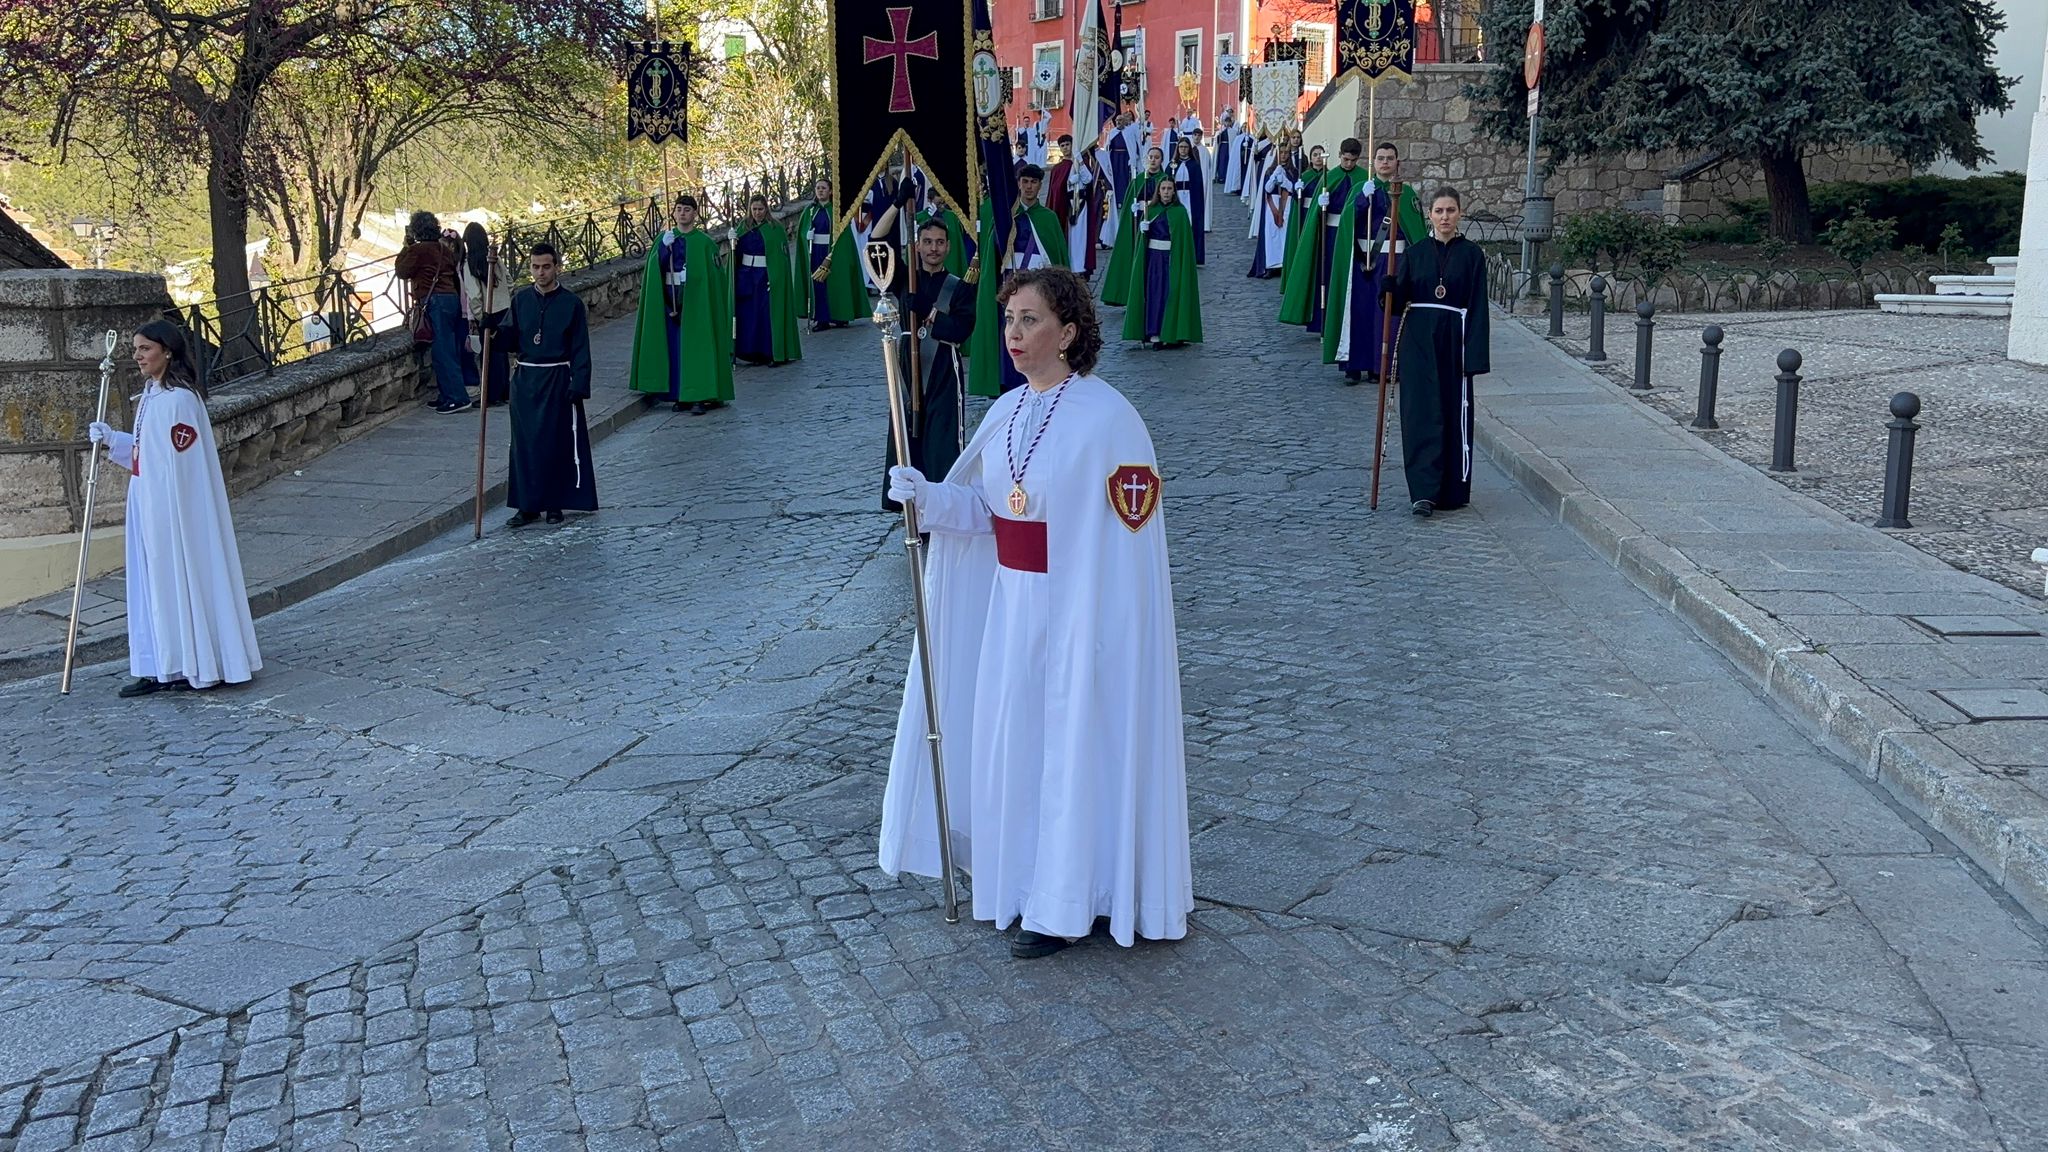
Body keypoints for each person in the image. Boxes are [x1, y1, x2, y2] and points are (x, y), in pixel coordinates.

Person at [878, 266, 1191, 959]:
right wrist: (928, 496)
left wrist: (1101, 623)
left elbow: (1127, 541)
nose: (1014, 334)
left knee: (1072, 753)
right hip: (1012, 614)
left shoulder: (1109, 419)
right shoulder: (1006, 411)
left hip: (1083, 617)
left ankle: (1068, 902)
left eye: (1030, 320)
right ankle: (1022, 884)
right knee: (1016, 751)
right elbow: (990, 514)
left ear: (1068, 332)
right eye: (1009, 319)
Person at [86, 320, 261, 697]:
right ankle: (160, 664)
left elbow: (181, 464)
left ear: (167, 351)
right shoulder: (152, 396)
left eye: (145, 349)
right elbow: (147, 454)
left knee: (174, 581)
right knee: (153, 585)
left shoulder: (179, 400)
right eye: (135, 349)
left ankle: (190, 663)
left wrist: (167, 507)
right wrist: (113, 440)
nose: (138, 356)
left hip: (171, 509)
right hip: (147, 502)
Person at [1392, 187, 1490, 517]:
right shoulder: (1415, 253)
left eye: (1450, 210)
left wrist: (1473, 357)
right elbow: (1397, 303)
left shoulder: (1472, 255)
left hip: (1454, 341)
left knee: (1450, 411)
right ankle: (1423, 491)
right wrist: (1388, 290)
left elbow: (1478, 307)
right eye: (1439, 211)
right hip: (1418, 343)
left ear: (1460, 213)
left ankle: (1450, 490)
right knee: (1419, 413)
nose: (1444, 217)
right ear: (1429, 215)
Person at [496, 243, 597, 528]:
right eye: (535, 267)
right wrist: (491, 330)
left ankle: (554, 503)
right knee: (524, 445)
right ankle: (527, 506)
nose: (540, 273)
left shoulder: (571, 304)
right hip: (526, 381)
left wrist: (579, 382)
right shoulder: (520, 300)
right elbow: (510, 340)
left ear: (557, 268)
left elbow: (580, 347)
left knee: (555, 443)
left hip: (557, 380)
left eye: (546, 267)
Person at [882, 217, 977, 511]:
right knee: (908, 437)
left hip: (943, 370)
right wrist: (896, 204)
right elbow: (878, 242)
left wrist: (931, 313)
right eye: (927, 242)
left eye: (939, 242)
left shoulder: (960, 288)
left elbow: (960, 330)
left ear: (948, 247)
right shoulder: (905, 279)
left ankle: (943, 508)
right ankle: (912, 510)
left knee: (941, 442)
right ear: (917, 246)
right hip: (908, 369)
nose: (933, 248)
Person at [1329, 142, 1428, 382]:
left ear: (1397, 162)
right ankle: (1355, 365)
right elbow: (1347, 223)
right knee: (1360, 313)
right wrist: (1362, 200)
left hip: (1394, 262)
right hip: (1364, 262)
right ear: (1373, 162)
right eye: (1381, 158)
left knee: (1386, 315)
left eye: (1390, 158)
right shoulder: (1362, 188)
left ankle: (1380, 367)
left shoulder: (1406, 193)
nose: (1385, 162)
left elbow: (1416, 232)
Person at [968, 164, 1068, 397]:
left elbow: (1057, 257)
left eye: (1034, 182)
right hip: (1011, 287)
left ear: (1040, 185)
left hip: (1040, 289)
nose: (1029, 187)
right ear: (1018, 184)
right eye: (1025, 182)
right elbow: (993, 255)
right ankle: (1007, 381)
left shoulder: (1048, 219)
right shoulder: (1006, 219)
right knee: (1011, 332)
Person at [629, 194, 734, 415]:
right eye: (678, 209)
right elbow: (653, 272)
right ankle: (680, 394)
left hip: (696, 300)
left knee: (697, 347)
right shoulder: (665, 239)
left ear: (695, 213)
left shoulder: (704, 243)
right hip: (670, 298)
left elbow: (715, 277)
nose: (682, 213)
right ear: (673, 213)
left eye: (687, 209)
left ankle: (699, 394)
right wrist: (662, 250)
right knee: (675, 347)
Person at [395, 210, 477, 413]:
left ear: (416, 230)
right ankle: (446, 395)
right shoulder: (444, 249)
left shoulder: (418, 250)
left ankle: (457, 398)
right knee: (447, 348)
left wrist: (406, 248)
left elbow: (402, 271)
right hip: (451, 299)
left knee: (443, 351)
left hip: (434, 301)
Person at [1279, 139, 1364, 333]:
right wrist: (1321, 206)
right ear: (1340, 155)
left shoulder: (1363, 178)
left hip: (1352, 235)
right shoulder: (1329, 177)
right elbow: (1314, 215)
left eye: (1353, 160)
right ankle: (1323, 321)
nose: (1349, 164)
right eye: (1345, 159)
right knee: (1327, 275)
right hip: (1330, 235)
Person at [1122, 176, 1203, 350]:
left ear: (1174, 191)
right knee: (1155, 294)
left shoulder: (1180, 213)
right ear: (1158, 191)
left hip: (1172, 259)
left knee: (1171, 294)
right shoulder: (1150, 210)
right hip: (1154, 259)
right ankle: (1154, 333)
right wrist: (1142, 230)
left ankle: (1171, 333)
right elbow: (1140, 242)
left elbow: (1184, 242)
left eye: (1169, 189)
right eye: (1163, 189)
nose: (1166, 192)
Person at [730, 194, 801, 366]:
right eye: (754, 209)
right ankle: (752, 352)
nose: (757, 213)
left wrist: (775, 277)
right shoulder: (743, 226)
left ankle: (771, 352)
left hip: (765, 277)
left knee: (766, 316)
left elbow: (780, 258)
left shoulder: (774, 228)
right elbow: (735, 255)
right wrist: (733, 242)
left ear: (766, 209)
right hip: (747, 276)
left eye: (760, 209)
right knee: (749, 316)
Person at [1100, 146, 1165, 307]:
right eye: (1150, 157)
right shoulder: (1138, 180)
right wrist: (1132, 209)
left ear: (1161, 160)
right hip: (1137, 224)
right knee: (1136, 257)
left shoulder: (1165, 180)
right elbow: (1131, 200)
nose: (1153, 160)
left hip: (1156, 224)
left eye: (1157, 157)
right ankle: (1133, 295)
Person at [797, 178, 865, 332]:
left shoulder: (837, 211)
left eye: (823, 188)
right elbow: (802, 231)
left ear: (830, 191)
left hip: (835, 252)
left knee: (837, 283)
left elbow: (844, 234)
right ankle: (822, 319)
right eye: (818, 188)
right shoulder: (809, 211)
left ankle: (840, 316)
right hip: (816, 251)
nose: (820, 191)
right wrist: (806, 235)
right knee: (819, 284)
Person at [460, 222, 511, 405]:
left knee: (488, 355)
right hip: (504, 308)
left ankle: (491, 395)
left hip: (488, 313)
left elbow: (474, 295)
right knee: (502, 353)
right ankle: (505, 391)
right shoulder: (495, 258)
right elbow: (509, 281)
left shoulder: (470, 264)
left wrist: (480, 316)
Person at [1250, 134, 1296, 279]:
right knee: (1272, 235)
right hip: (1272, 205)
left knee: (1285, 235)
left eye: (1286, 153)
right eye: (1281, 152)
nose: (1283, 155)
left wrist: (1286, 182)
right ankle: (1271, 265)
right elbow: (1267, 189)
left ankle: (1284, 264)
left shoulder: (1293, 171)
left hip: (1287, 204)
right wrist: (1274, 177)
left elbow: (1294, 189)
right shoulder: (1270, 170)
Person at [1171, 136, 1209, 263]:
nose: (1183, 149)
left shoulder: (1194, 165)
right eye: (1181, 147)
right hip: (1176, 197)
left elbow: (1198, 185)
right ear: (1178, 148)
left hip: (1190, 198)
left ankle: (1192, 254)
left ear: (1189, 149)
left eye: (1186, 147)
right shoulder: (1172, 165)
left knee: (1191, 224)